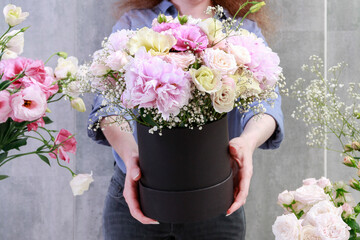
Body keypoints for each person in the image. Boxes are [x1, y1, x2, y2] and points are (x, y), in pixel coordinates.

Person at [88, 0, 284, 239]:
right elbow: (108, 106)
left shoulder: (241, 29)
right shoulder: (133, 23)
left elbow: (264, 103)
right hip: (136, 193)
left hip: (215, 195)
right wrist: (130, 157)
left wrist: (248, 142)